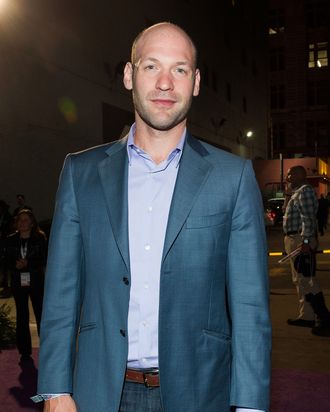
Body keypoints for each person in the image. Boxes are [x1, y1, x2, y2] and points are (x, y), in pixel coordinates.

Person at [36, 22, 271, 412]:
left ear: (195, 82)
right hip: (99, 392)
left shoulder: (233, 178)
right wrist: (54, 389)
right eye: (151, 66)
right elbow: (60, 294)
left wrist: (249, 405)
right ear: (129, 75)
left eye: (179, 69)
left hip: (200, 393)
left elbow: (250, 307)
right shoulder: (81, 173)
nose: (165, 83)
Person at [283, 166, 330, 336]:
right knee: (300, 280)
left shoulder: (305, 191)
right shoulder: (296, 192)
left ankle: (325, 319)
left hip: (300, 240)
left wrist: (306, 241)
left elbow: (308, 218)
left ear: (298, 175)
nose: (287, 177)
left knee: (307, 280)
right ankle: (307, 316)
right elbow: (285, 212)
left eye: (289, 174)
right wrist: (288, 194)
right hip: (293, 239)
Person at [2, 209, 47, 362]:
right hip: (17, 280)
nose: (22, 222)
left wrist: (29, 263)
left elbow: (44, 258)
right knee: (22, 315)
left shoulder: (40, 238)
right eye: (20, 220)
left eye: (26, 220)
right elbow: (5, 260)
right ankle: (25, 352)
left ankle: (47, 347)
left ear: (32, 222)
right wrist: (15, 265)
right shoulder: (10, 239)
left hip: (36, 280)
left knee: (41, 314)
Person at [0, 200, 13, 298]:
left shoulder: (8, 217)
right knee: (3, 266)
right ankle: (5, 285)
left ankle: (8, 288)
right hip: (1, 243)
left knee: (7, 267)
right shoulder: (1, 217)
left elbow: (9, 230)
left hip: (6, 243)